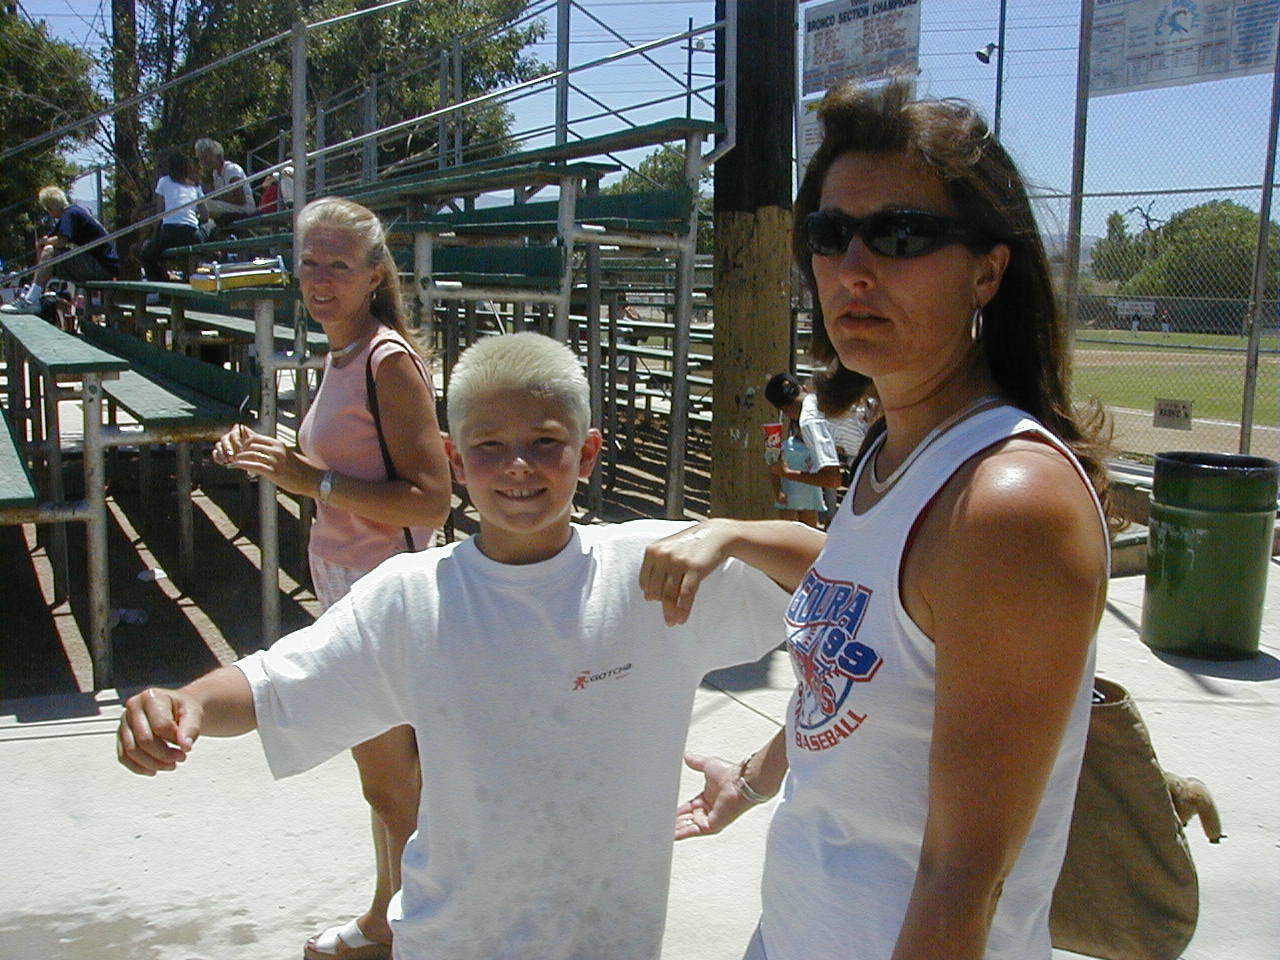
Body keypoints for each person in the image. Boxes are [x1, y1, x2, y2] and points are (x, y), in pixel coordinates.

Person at [118, 331, 792, 960]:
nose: (518, 466)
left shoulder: (658, 571)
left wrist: (731, 532)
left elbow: (836, 577)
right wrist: (187, 702)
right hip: (454, 940)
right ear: (455, 460)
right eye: (489, 446)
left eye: (546, 442)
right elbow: (273, 686)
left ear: (587, 454)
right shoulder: (410, 598)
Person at [640, 78, 1114, 960]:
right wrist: (754, 777)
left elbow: (963, 880)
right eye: (829, 235)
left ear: (987, 270)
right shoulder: (894, 453)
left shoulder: (1007, 505)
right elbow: (865, 611)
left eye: (900, 235)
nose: (852, 268)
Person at [207, 196, 452, 960]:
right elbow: (336, 468)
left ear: (374, 274)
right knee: (390, 781)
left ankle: (404, 931)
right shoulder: (341, 354)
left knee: (392, 786)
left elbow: (432, 498)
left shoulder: (386, 361)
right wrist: (268, 456)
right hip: (347, 585)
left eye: (338, 265)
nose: (319, 279)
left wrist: (309, 480)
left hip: (385, 595)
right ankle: (391, 918)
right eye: (309, 262)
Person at [1, 186, 118, 314]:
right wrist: (43, 245)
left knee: (50, 251)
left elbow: (61, 241)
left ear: (51, 207)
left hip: (102, 268)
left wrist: (44, 243)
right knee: (49, 252)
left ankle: (30, 300)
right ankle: (34, 296)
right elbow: (49, 239)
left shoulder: (71, 213)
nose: (49, 214)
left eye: (48, 210)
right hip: (100, 266)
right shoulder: (72, 213)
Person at [762, 371, 843, 528]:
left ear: (784, 410)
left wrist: (787, 473)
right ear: (803, 388)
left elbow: (833, 479)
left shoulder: (810, 421)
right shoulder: (819, 401)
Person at [139, 149, 207, 282]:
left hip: (170, 232)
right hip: (191, 233)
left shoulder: (164, 181)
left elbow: (160, 212)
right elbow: (205, 214)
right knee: (208, 227)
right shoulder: (195, 185)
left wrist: (154, 236)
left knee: (146, 256)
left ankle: (162, 285)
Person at [195, 136, 257, 228]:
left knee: (203, 205)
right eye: (201, 159)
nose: (204, 161)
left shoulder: (231, 170)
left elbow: (241, 200)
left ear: (217, 154)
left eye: (206, 157)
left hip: (245, 208)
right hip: (231, 206)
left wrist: (215, 195)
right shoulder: (215, 174)